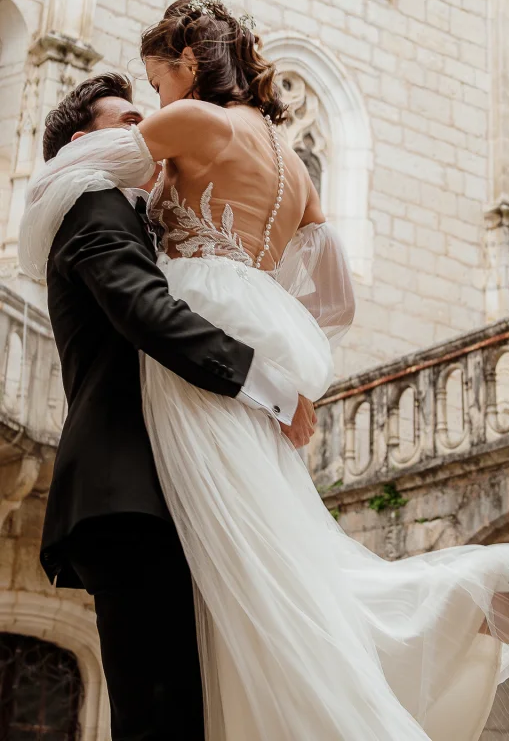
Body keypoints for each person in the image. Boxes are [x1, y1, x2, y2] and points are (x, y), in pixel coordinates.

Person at [20, 0, 509, 741]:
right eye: (130, 110)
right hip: (238, 362)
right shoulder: (294, 167)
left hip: (204, 370)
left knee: (268, 590)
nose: (149, 115)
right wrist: (260, 308)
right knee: (286, 573)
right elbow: (333, 297)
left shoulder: (186, 130)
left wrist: (227, 312)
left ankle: (464, 598)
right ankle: (460, 601)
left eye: (154, 87)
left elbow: (66, 179)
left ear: (188, 65)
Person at [30, 72, 316, 741]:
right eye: (127, 120)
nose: (146, 129)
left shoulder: (142, 217)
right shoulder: (89, 201)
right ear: (82, 142)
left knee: (186, 708)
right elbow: (144, 311)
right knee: (157, 711)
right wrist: (269, 387)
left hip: (170, 488)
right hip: (127, 494)